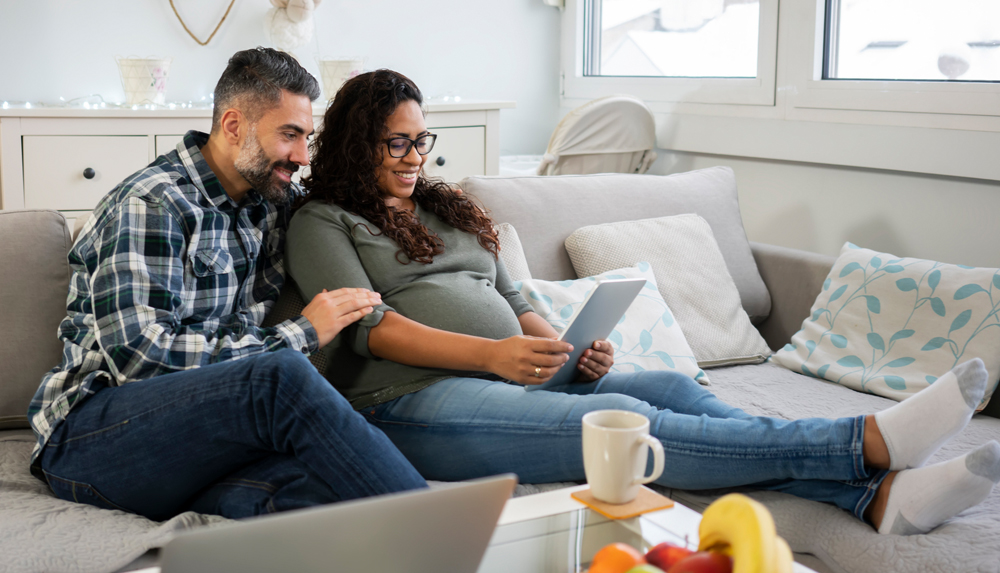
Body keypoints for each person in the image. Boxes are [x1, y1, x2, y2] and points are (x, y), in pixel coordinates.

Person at [286, 68, 999, 536]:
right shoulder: (322, 220)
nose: (414, 157)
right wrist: (494, 353)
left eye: (421, 141)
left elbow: (505, 292)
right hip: (409, 401)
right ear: (357, 144)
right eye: (396, 143)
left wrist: (557, 345)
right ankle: (861, 441)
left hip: (508, 372)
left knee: (662, 383)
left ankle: (876, 497)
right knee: (622, 420)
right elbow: (369, 330)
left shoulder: (446, 210)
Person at [26, 50, 426, 522]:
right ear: (234, 125)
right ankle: (449, 542)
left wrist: (430, 198)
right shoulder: (153, 205)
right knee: (283, 376)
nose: (301, 156)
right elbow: (141, 359)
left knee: (329, 487)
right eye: (290, 135)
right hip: (92, 434)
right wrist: (299, 335)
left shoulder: (274, 202)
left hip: (195, 437)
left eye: (306, 137)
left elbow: (352, 202)